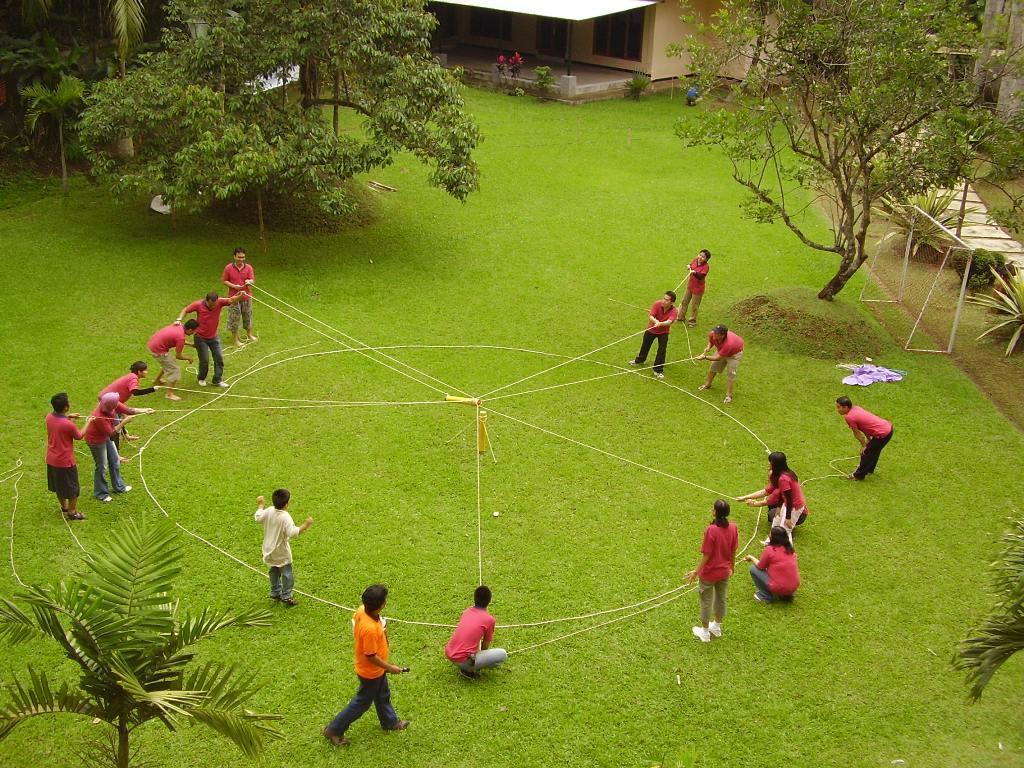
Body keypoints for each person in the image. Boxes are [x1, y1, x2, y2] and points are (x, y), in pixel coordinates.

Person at [324, 584, 410, 746]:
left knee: (382, 695)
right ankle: (334, 730)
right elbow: (370, 656)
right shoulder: (369, 628)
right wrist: (389, 667)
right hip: (371, 672)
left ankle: (390, 722)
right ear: (381, 605)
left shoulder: (363, 610)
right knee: (361, 703)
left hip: (377, 671)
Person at [687, 499, 738, 642]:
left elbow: (707, 554)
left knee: (706, 601)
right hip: (724, 572)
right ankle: (716, 626)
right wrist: (732, 567)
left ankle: (705, 632)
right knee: (721, 598)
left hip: (710, 573)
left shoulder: (711, 530)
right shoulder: (733, 528)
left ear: (715, 512)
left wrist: (696, 572)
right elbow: (733, 550)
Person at [253, 489, 313, 607]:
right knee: (287, 574)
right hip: (281, 551)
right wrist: (306, 525)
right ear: (286, 504)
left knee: (273, 571)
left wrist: (260, 505)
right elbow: (293, 533)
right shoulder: (285, 517)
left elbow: (258, 517)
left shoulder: (269, 510)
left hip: (269, 549)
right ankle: (286, 596)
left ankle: (275, 591)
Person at [176, 290, 246, 387]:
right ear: (207, 300)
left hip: (213, 337)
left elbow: (231, 300)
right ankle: (201, 378)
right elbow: (185, 310)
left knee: (219, 358)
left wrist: (240, 296)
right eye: (211, 305)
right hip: (200, 338)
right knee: (205, 360)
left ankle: (217, 380)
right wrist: (179, 319)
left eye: (215, 304)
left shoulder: (220, 302)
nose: (213, 306)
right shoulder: (198, 304)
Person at [83, 392, 142, 502]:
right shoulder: (99, 416)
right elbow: (111, 433)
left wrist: (145, 410)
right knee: (102, 466)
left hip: (105, 436)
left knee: (115, 460)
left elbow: (128, 410)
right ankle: (101, 493)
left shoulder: (114, 404)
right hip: (96, 440)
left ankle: (119, 487)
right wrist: (124, 421)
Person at [737, 451, 808, 540]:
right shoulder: (783, 475)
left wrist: (788, 517)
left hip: (794, 507)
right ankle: (769, 541)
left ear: (775, 464)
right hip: (787, 504)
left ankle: (787, 549)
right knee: (776, 521)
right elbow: (768, 492)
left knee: (784, 530)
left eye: (770, 461)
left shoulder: (783, 479)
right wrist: (745, 497)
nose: (768, 463)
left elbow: (786, 499)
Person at [444, 585, 508, 679]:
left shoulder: (467, 611)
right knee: (502, 654)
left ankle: (467, 665)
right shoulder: (489, 620)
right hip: (463, 661)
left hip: (449, 653)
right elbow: (485, 645)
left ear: (474, 598)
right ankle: (468, 670)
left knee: (476, 648)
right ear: (489, 601)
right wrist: (482, 658)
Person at [45, 392, 86, 520]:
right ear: (66, 407)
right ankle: (72, 512)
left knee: (58, 485)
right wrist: (89, 422)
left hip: (51, 459)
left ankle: (64, 507)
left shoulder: (49, 417)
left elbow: (59, 423)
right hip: (65, 462)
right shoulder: (68, 425)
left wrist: (68, 417)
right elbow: (79, 435)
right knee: (73, 488)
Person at [99, 361, 159, 446]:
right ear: (139, 372)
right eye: (145, 370)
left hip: (112, 400)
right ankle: (116, 454)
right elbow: (135, 392)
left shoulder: (132, 376)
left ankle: (126, 436)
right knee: (116, 426)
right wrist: (152, 389)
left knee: (119, 418)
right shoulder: (133, 378)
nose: (147, 372)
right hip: (109, 401)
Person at [835, 396, 894, 480]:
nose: (837, 409)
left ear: (845, 407)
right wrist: (869, 441)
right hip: (888, 428)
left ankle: (858, 475)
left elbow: (857, 433)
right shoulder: (856, 408)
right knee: (874, 451)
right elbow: (865, 427)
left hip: (883, 433)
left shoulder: (849, 417)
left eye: (838, 407)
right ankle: (869, 469)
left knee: (866, 452)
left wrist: (864, 446)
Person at [630, 291, 679, 380]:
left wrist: (661, 324)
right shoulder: (657, 304)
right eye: (664, 298)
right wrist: (656, 322)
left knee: (662, 350)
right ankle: (640, 360)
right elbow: (651, 316)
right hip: (651, 329)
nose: (664, 301)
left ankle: (658, 370)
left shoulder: (674, 311)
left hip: (663, 333)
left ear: (672, 303)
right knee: (645, 345)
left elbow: (669, 322)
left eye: (667, 300)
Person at [744, 526, 800, 603]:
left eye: (770, 533)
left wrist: (751, 557)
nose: (769, 535)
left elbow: (760, 566)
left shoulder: (770, 550)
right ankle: (787, 595)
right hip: (794, 585)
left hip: (780, 587)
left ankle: (765, 596)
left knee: (753, 569)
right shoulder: (790, 549)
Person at [147, 319, 198, 401]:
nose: (194, 333)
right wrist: (189, 358)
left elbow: (176, 338)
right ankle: (169, 394)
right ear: (190, 330)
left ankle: (157, 381)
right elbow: (178, 355)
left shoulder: (178, 326)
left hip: (152, 344)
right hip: (158, 350)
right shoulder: (181, 337)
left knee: (168, 363)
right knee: (175, 369)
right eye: (194, 331)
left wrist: (191, 345)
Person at [698, 324, 744, 403]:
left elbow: (717, 358)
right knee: (713, 367)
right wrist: (708, 347)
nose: (714, 334)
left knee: (731, 374)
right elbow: (710, 341)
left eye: (716, 333)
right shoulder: (712, 334)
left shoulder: (728, 344)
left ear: (722, 335)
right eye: (714, 331)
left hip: (734, 354)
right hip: (722, 351)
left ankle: (729, 395)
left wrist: (704, 357)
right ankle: (707, 384)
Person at [222, 247, 258, 346]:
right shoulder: (228, 268)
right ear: (234, 256)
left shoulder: (249, 268)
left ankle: (249, 334)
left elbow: (252, 280)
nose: (241, 259)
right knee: (234, 317)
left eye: (243, 257)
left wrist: (249, 281)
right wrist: (234, 286)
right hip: (233, 297)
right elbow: (224, 280)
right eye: (239, 257)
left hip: (246, 296)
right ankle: (235, 339)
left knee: (248, 316)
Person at [678, 249, 711, 327]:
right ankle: (681, 316)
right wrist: (689, 266)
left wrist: (694, 272)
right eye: (700, 255)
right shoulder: (695, 260)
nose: (700, 257)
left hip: (698, 289)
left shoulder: (706, 267)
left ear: (706, 259)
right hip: (690, 286)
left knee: (695, 306)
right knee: (684, 302)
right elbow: (691, 264)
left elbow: (701, 276)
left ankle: (692, 321)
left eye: (703, 257)